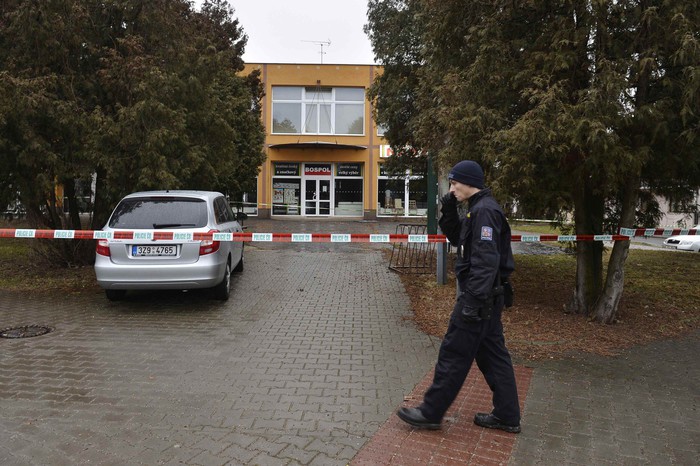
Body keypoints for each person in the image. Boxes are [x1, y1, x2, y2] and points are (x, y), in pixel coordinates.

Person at [397, 160, 521, 433]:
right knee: (492, 356)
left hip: (479, 299)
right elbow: (459, 240)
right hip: (487, 299)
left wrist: (472, 303)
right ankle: (507, 414)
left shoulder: (485, 211)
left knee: (453, 353)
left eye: (454, 183)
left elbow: (485, 262)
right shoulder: (477, 209)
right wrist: (450, 212)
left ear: (469, 182)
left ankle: (430, 412)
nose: (452, 189)